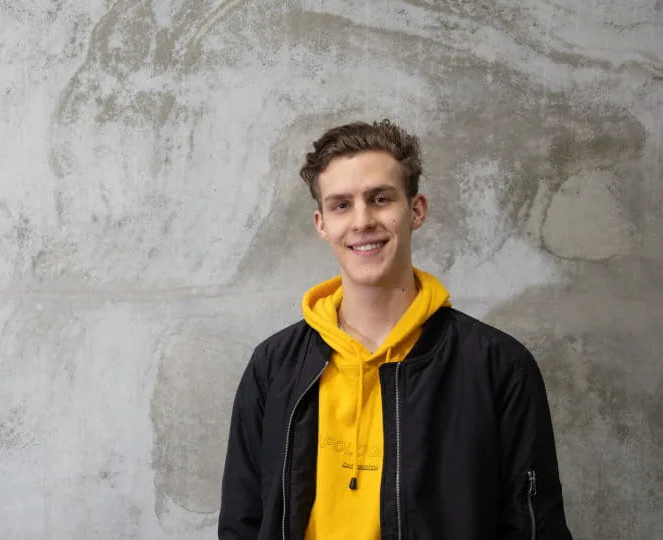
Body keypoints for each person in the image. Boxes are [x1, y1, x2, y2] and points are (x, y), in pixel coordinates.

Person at [217, 120, 572, 539]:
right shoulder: (274, 366)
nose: (362, 221)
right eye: (341, 205)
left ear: (415, 210)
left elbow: (536, 530)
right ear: (321, 223)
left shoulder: (499, 367)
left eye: (380, 199)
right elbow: (241, 523)